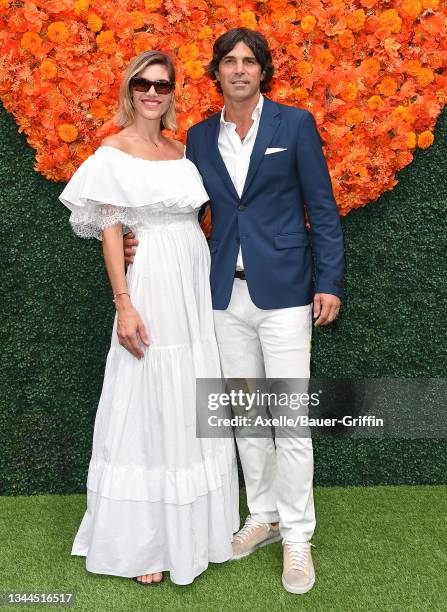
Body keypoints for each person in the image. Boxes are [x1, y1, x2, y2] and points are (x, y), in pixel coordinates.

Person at [124, 29, 344, 595]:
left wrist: (330, 282)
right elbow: (177, 206)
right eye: (230, 62)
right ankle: (264, 517)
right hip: (221, 294)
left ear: (262, 72)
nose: (240, 70)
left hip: (287, 293)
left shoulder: (293, 125)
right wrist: (134, 239)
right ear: (216, 73)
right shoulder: (198, 137)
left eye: (250, 61)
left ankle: (298, 536)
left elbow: (321, 205)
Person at [59, 50, 239, 587]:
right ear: (130, 89)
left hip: (192, 281)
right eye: (143, 83)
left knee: (190, 390)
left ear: (172, 92)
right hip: (151, 284)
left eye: (162, 84)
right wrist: (124, 302)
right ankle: (147, 541)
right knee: (146, 395)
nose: (152, 92)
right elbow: (113, 230)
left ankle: (199, 529)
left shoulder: (183, 153)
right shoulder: (113, 153)